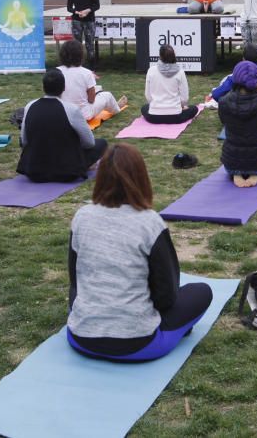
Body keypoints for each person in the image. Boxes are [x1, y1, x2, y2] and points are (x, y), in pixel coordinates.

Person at [66, 143, 213, 362]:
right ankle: (174, 331)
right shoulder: (149, 222)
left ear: (100, 176)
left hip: (80, 337)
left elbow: (76, 277)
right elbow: (166, 294)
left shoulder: (81, 216)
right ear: (141, 177)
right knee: (201, 291)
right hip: (138, 344)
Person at [18, 68, 107, 182]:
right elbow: (89, 143)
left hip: (34, 171)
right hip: (66, 171)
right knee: (102, 143)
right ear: (64, 88)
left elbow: (24, 140)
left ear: (43, 87)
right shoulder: (71, 109)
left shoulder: (30, 106)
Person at [219, 60, 257, 187]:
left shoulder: (223, 102)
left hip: (231, 159)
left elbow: (224, 122)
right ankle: (255, 173)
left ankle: (236, 173)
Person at [57, 40, 127, 121]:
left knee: (96, 89)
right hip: (83, 114)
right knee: (107, 95)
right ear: (80, 55)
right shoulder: (86, 73)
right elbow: (91, 100)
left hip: (62, 114)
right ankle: (116, 108)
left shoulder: (55, 72)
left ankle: (114, 105)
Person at [143, 45, 199, 124]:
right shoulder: (180, 72)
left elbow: (148, 96)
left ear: (160, 56)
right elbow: (184, 98)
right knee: (194, 109)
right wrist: (182, 106)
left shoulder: (151, 70)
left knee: (144, 108)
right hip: (175, 116)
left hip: (154, 116)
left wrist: (156, 106)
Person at [67, 0, 101, 67]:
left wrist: (87, 10)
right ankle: (77, 65)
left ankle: (91, 67)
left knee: (90, 44)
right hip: (77, 21)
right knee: (77, 44)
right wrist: (76, 12)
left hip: (89, 20)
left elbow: (97, 5)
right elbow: (69, 7)